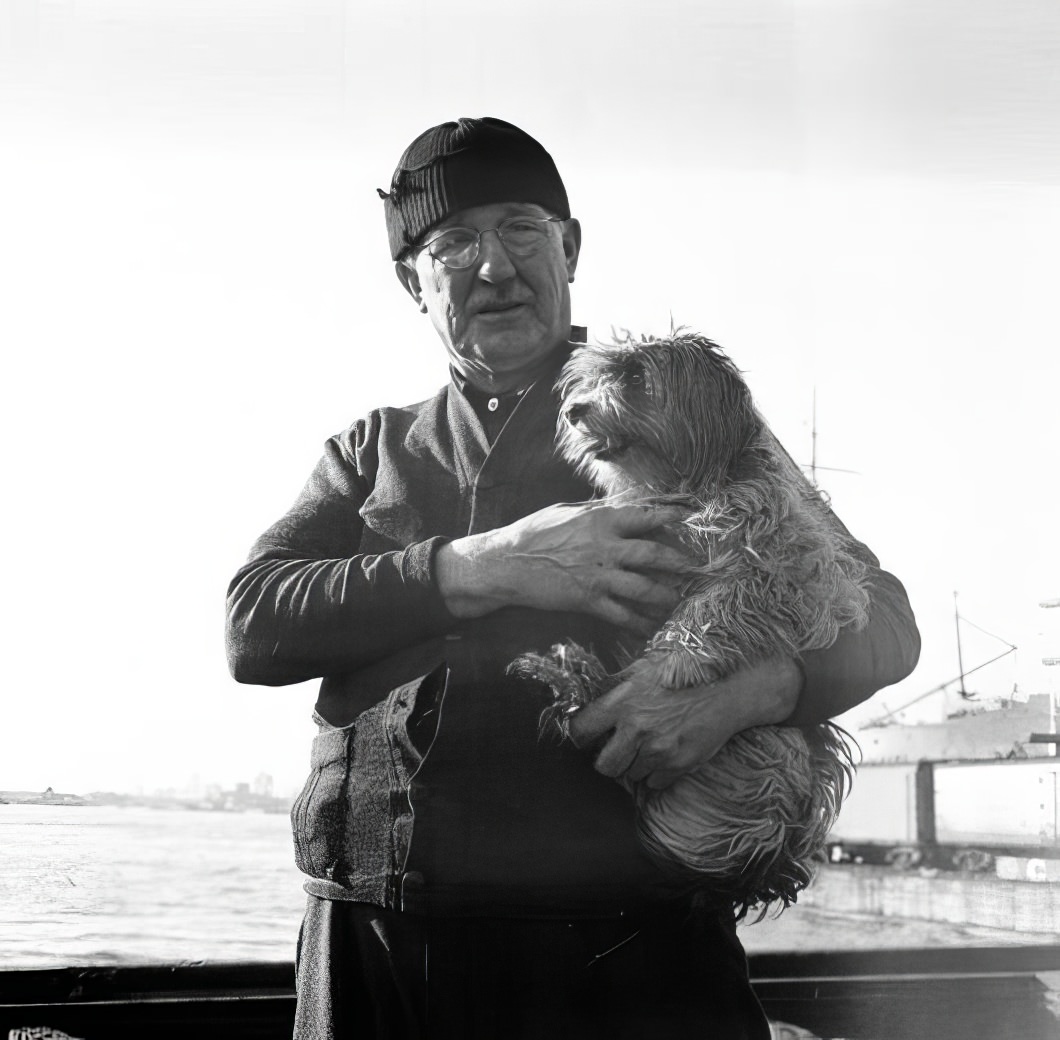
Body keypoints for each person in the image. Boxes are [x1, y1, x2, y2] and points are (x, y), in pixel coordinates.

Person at [226, 116, 920, 1040]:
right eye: (453, 243)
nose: (494, 266)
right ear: (412, 281)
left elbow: (885, 618)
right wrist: (485, 567)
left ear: (570, 248)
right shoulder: (371, 450)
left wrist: (746, 694)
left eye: (521, 227)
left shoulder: (679, 417)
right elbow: (252, 627)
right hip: (373, 946)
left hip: (626, 960)